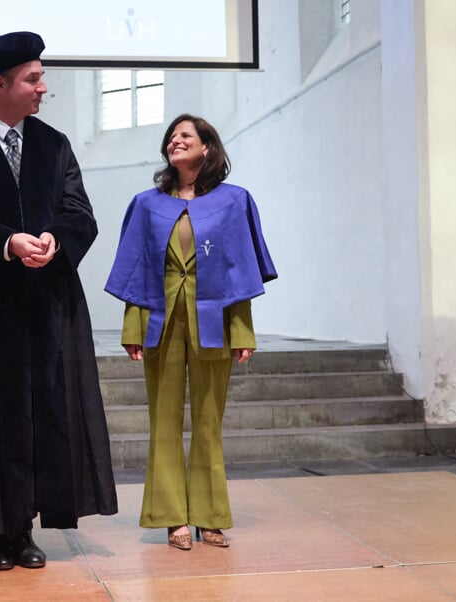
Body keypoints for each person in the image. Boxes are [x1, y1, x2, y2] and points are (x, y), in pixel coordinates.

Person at [0, 31, 117, 571]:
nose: (43, 87)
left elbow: (80, 211)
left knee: (43, 412)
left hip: (45, 302)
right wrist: (7, 243)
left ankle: (28, 527)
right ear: (0, 84)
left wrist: (57, 237)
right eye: (33, 78)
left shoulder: (53, 145)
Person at [105, 114, 277, 550]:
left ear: (207, 148)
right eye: (172, 137)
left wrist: (242, 331)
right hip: (161, 321)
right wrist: (132, 328)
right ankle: (171, 518)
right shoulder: (147, 204)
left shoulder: (235, 201)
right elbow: (137, 269)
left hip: (214, 322)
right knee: (163, 420)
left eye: (186, 136)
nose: (175, 141)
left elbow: (239, 272)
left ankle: (210, 516)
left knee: (208, 420)